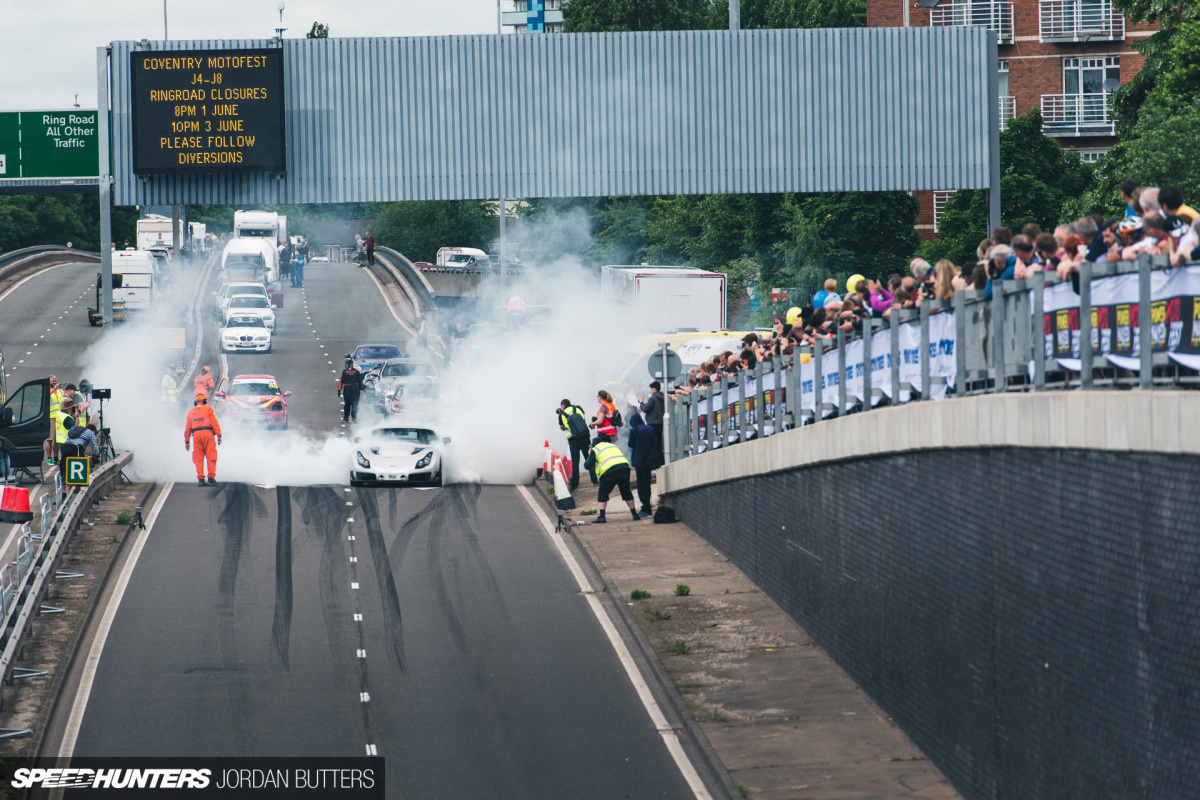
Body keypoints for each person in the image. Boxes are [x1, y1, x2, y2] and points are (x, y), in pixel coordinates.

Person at [583, 437, 640, 524]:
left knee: (603, 493)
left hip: (609, 472)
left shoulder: (595, 449)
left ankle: (602, 517)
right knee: (626, 491)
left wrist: (589, 454)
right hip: (624, 468)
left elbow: (587, 466)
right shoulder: (612, 446)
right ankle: (634, 514)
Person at [184, 393, 222, 487]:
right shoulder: (208, 409)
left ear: (195, 402)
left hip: (196, 436)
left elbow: (187, 428)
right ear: (204, 401)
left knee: (198, 458)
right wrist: (219, 435)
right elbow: (214, 423)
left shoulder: (190, 412)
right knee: (211, 456)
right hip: (208, 434)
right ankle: (211, 478)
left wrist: (187, 441)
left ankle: (201, 479)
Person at [557, 399, 593, 491]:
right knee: (589, 459)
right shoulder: (579, 409)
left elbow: (562, 428)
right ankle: (595, 480)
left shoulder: (562, 414)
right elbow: (583, 420)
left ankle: (575, 483)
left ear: (563, 405)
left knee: (575, 462)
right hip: (585, 437)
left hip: (573, 440)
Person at [627, 411, 657, 517]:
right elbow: (654, 444)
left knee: (641, 485)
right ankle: (647, 505)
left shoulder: (633, 430)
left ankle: (645, 507)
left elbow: (630, 444)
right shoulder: (650, 429)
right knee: (647, 484)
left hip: (639, 462)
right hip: (649, 461)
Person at [638, 380, 666, 464]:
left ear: (654, 389)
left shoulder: (653, 398)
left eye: (651, 388)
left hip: (652, 424)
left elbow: (646, 409)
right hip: (660, 423)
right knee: (659, 444)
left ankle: (655, 464)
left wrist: (641, 403)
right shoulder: (663, 397)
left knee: (653, 445)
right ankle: (661, 462)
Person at [338, 356, 364, 423]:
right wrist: (361, 388)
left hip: (349, 389)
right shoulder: (356, 371)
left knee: (349, 403)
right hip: (353, 389)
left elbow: (341, 381)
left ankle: (348, 417)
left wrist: (339, 389)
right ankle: (352, 418)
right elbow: (360, 382)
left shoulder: (345, 371)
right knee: (353, 404)